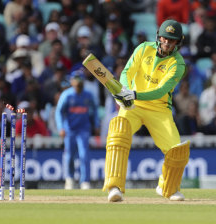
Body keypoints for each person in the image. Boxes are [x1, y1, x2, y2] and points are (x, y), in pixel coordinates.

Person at [103, 20, 190, 202]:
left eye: (172, 40)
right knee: (119, 130)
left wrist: (132, 93)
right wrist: (125, 90)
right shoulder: (143, 48)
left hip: (159, 109)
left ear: (178, 42)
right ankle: (114, 187)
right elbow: (127, 71)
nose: (167, 43)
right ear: (158, 36)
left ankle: (167, 186)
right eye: (165, 38)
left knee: (176, 150)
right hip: (133, 106)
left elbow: (160, 91)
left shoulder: (178, 64)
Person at [55, 70, 100, 190]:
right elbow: (59, 112)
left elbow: (94, 110)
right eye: (76, 80)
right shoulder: (67, 95)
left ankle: (85, 181)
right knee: (69, 155)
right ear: (71, 81)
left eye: (80, 79)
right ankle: (69, 179)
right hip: (70, 130)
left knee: (84, 154)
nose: (78, 83)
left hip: (83, 129)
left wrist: (96, 124)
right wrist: (61, 127)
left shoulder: (88, 95)